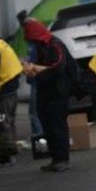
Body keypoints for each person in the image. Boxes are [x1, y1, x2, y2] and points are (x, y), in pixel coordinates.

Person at [23, 20, 72, 172]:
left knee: (57, 125)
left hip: (58, 91)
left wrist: (36, 68)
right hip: (45, 90)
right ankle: (56, 157)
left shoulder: (55, 45)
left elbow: (58, 67)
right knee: (47, 125)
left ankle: (62, 158)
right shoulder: (42, 47)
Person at [23, 19, 46, 157]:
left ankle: (39, 137)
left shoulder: (34, 45)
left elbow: (32, 62)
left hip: (37, 77)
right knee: (37, 109)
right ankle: (41, 136)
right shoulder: (39, 43)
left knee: (34, 110)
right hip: (38, 77)